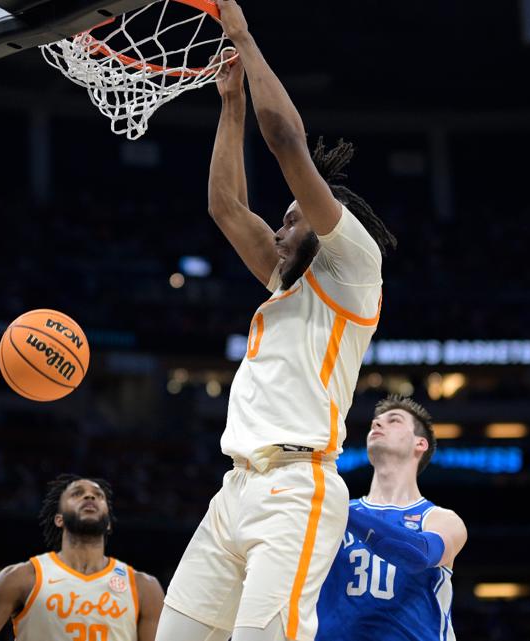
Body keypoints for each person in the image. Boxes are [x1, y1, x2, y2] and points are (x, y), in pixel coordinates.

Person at [156, 2, 398, 640]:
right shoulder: (285, 285)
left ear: (329, 227)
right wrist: (229, 101)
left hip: (298, 490)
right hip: (234, 489)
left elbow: (287, 141)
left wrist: (241, 32)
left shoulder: (353, 270)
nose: (279, 227)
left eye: (292, 218)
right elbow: (225, 205)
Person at [316, 396, 467, 641]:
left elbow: (418, 555)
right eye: (374, 422)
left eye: (393, 420)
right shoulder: (334, 511)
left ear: (420, 443)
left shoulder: (441, 519)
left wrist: (338, 509)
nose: (377, 425)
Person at [0, 474, 165, 641]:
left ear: (108, 522)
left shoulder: (143, 587)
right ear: (59, 519)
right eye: (77, 494)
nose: (89, 497)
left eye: (98, 495)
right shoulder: (23, 577)